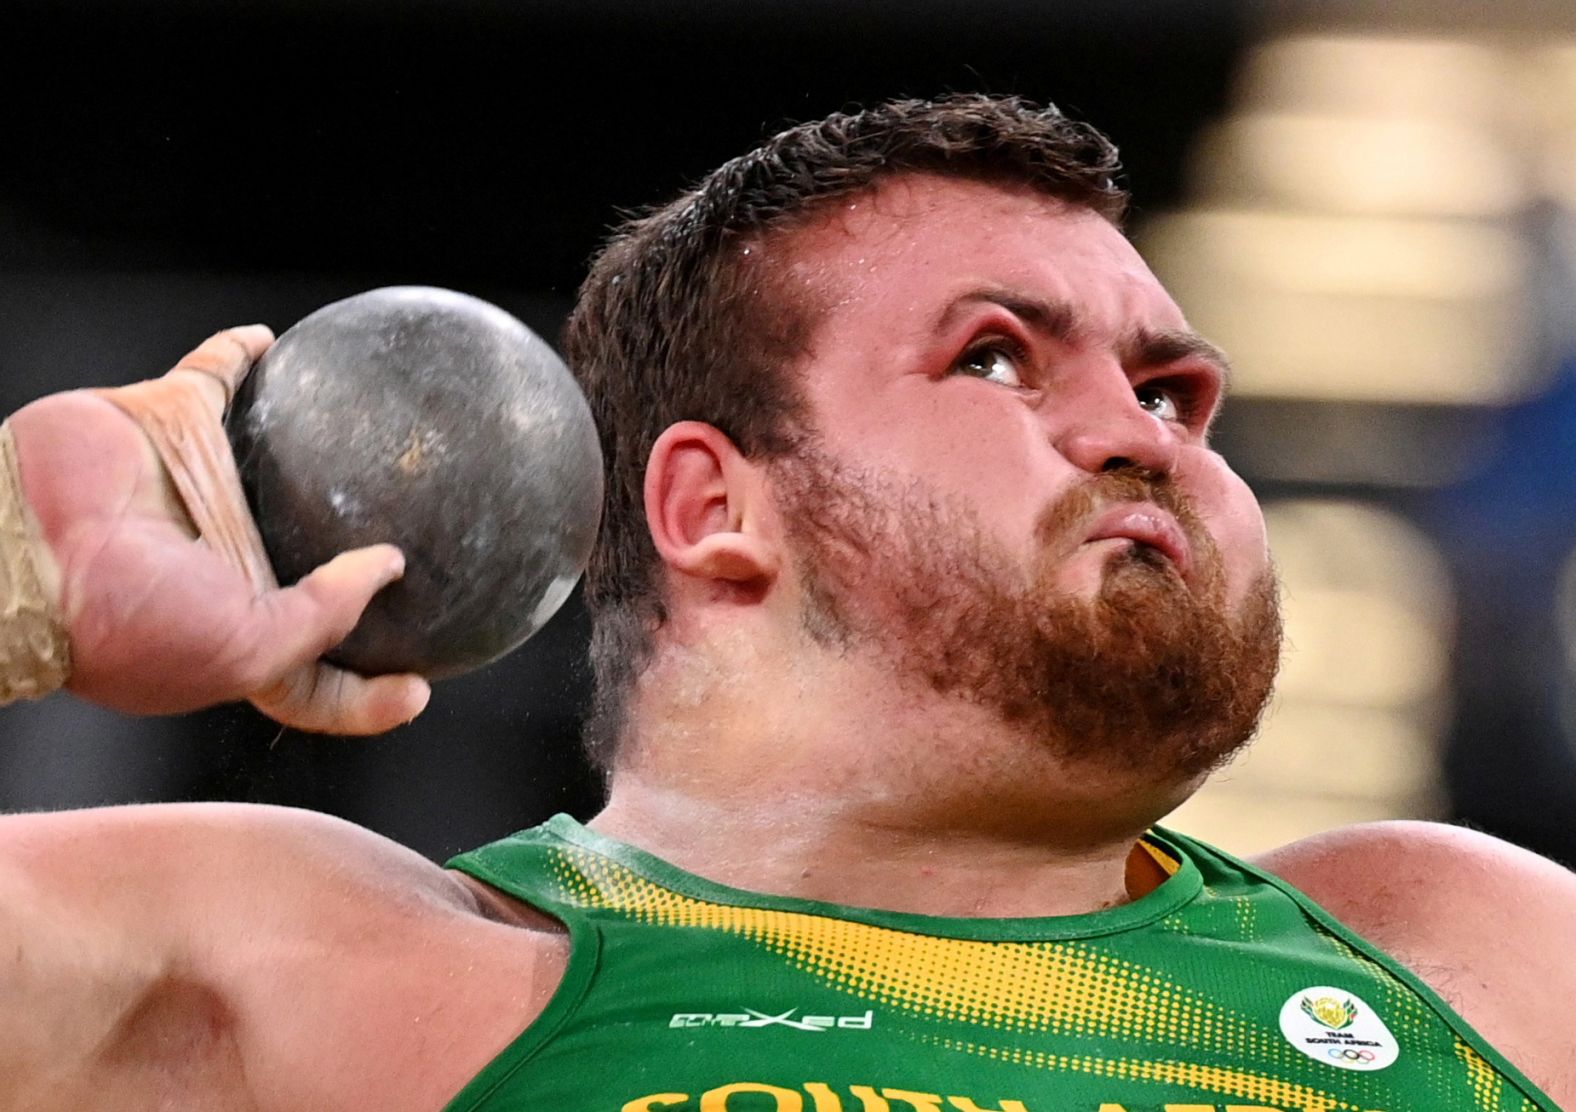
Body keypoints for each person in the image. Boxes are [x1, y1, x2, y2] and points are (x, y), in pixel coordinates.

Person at [0, 95, 1570, 1112]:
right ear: (712, 507)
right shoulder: (338, 975)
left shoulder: (1463, 952)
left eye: (1172, 390)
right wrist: (22, 573)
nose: (1143, 432)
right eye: (999, 357)